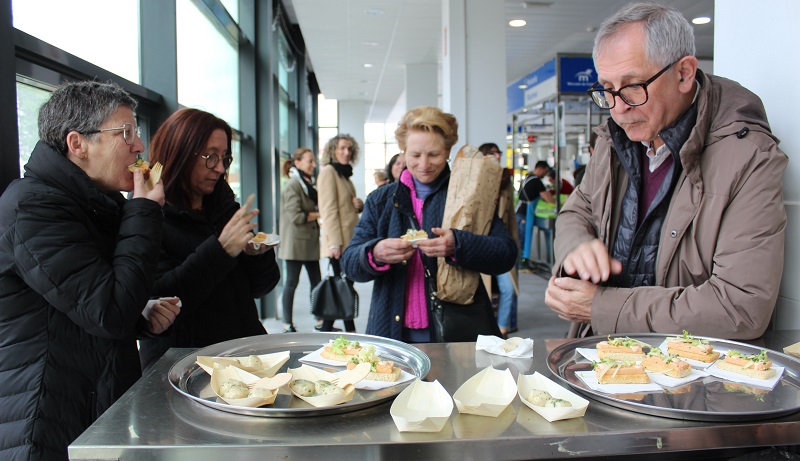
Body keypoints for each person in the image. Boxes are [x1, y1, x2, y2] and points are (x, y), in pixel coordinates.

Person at [545, 2, 788, 340]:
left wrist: (601, 307)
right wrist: (577, 245)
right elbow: (576, 211)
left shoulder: (748, 157)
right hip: (602, 358)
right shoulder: (611, 142)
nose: (618, 109)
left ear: (684, 73)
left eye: (632, 86)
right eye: (607, 89)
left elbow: (741, 308)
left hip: (689, 376)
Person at [0, 81, 180, 461]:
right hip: (44, 414)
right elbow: (107, 312)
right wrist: (145, 211)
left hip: (91, 400)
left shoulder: (97, 203)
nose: (139, 146)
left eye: (137, 132)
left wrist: (140, 315)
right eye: (126, 133)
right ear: (77, 143)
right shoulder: (32, 207)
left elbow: (85, 301)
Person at [341, 106, 517, 342]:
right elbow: (349, 262)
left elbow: (506, 254)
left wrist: (459, 245)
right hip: (392, 332)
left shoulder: (469, 198)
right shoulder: (381, 200)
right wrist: (375, 253)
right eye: (414, 155)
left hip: (455, 333)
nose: (423, 164)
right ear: (403, 152)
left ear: (448, 151)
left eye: (433, 154)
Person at [138, 108, 280, 369]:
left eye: (225, 158)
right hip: (183, 364)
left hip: (244, 354)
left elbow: (261, 288)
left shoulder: (224, 205)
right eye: (210, 157)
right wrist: (221, 250)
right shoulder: (148, 213)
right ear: (179, 153)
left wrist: (258, 256)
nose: (219, 168)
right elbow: (157, 303)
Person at [317, 134, 364, 332]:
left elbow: (346, 207)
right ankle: (346, 329)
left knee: (343, 286)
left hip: (349, 240)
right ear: (333, 150)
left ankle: (330, 327)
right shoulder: (329, 172)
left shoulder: (343, 174)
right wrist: (334, 243)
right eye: (342, 148)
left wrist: (359, 205)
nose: (346, 152)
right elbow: (328, 210)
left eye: (349, 149)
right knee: (342, 287)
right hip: (340, 242)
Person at [478, 142, 520, 337]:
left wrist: (515, 243)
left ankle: (503, 329)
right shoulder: (475, 179)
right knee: (483, 291)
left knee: (508, 289)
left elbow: (510, 215)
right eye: (491, 153)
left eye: (498, 152)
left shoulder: (505, 180)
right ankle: (486, 327)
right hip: (479, 242)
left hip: (502, 242)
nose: (496, 156)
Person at [278, 147, 321, 333]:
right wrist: (321, 213)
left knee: (316, 282)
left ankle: (320, 320)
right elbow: (296, 216)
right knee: (291, 284)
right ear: (297, 162)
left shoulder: (307, 184)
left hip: (308, 242)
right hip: (295, 243)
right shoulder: (293, 185)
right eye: (309, 161)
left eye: (313, 161)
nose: (313, 164)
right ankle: (287, 324)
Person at [517, 160, 555, 266]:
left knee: (521, 239)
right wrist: (559, 201)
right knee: (524, 239)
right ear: (540, 169)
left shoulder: (528, 178)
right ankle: (523, 263)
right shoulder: (536, 181)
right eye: (545, 172)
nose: (545, 175)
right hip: (524, 214)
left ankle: (523, 262)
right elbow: (548, 198)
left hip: (520, 212)